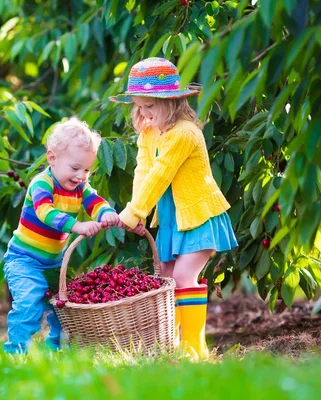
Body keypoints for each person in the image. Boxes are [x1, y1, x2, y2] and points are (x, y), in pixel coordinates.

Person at [110, 57, 238, 360]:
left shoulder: (184, 133)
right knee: (166, 280)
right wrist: (136, 211)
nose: (143, 113)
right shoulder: (149, 133)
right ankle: (172, 348)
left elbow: (162, 173)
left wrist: (133, 213)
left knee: (182, 278)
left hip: (197, 215)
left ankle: (194, 350)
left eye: (149, 106)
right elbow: (143, 172)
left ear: (171, 103)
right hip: (171, 217)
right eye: (139, 106)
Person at [2, 117, 120, 354]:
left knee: (64, 307)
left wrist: (106, 213)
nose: (80, 176)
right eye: (75, 168)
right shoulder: (41, 184)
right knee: (29, 303)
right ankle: (16, 351)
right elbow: (46, 213)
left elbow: (94, 201)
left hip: (55, 264)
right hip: (24, 261)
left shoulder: (79, 187)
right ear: (52, 158)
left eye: (87, 169)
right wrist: (77, 226)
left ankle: (57, 347)